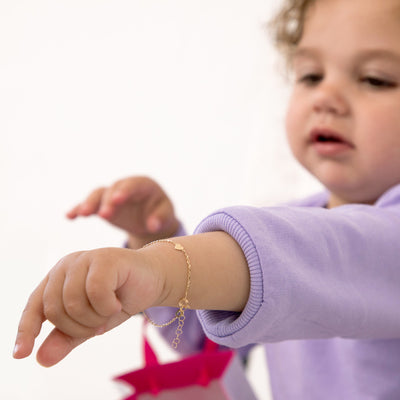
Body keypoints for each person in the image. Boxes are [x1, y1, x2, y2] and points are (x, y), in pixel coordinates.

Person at [13, 0, 400, 398]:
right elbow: (210, 338)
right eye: (311, 75)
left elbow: (326, 255)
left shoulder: (304, 243)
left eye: (375, 79)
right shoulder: (289, 225)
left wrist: (161, 268)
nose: (326, 97)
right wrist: (154, 243)